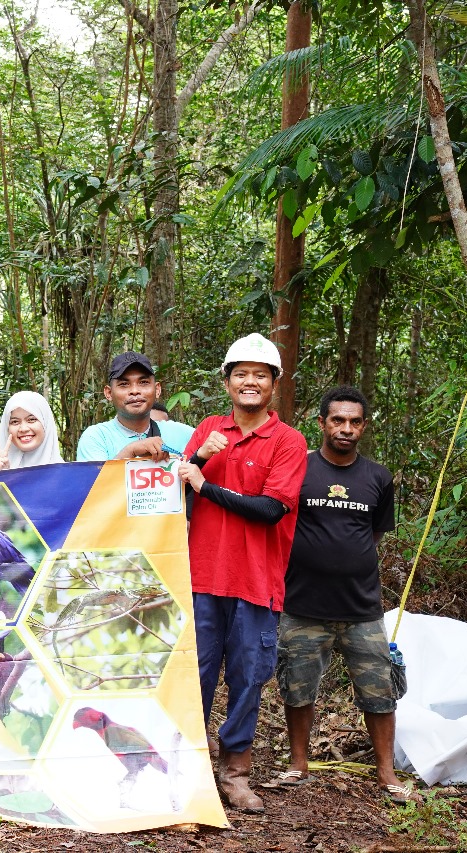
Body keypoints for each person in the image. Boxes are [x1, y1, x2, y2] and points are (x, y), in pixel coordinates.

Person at [176, 332, 309, 813]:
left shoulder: (289, 441)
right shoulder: (208, 427)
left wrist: (207, 484)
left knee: (249, 679)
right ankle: (188, 770)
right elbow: (176, 491)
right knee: (196, 677)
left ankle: (236, 773)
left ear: (274, 383)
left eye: (260, 374)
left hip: (256, 582)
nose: (249, 382)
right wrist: (199, 458)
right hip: (200, 579)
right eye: (241, 374)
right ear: (228, 381)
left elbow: (272, 509)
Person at [276, 386, 418, 803]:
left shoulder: (378, 477)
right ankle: (297, 764)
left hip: (363, 608)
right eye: (338, 420)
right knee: (297, 687)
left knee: (380, 691)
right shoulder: (298, 469)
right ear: (321, 423)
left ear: (364, 427)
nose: (346, 428)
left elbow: (372, 535)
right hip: (302, 605)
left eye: (354, 422)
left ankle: (387, 773)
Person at [76, 352, 194, 461]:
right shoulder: (96, 437)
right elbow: (93, 483)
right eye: (124, 384)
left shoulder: (183, 434)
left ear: (157, 389)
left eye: (143, 382)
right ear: (109, 393)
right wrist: (130, 451)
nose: (135, 391)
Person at [0, 391, 63, 470]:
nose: (23, 429)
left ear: (46, 424)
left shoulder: (67, 475)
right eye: (15, 422)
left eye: (31, 419)